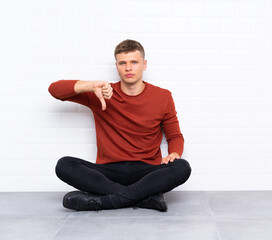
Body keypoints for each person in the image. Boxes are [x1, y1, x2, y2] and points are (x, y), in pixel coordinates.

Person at [48, 39, 191, 212]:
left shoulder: (163, 96)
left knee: (182, 167)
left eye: (134, 62)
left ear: (144, 65)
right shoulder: (101, 92)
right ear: (116, 66)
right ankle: (145, 198)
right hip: (108, 171)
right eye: (123, 63)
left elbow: (174, 136)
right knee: (64, 165)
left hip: (147, 172)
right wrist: (91, 85)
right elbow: (55, 90)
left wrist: (174, 154)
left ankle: (105, 202)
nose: (128, 68)